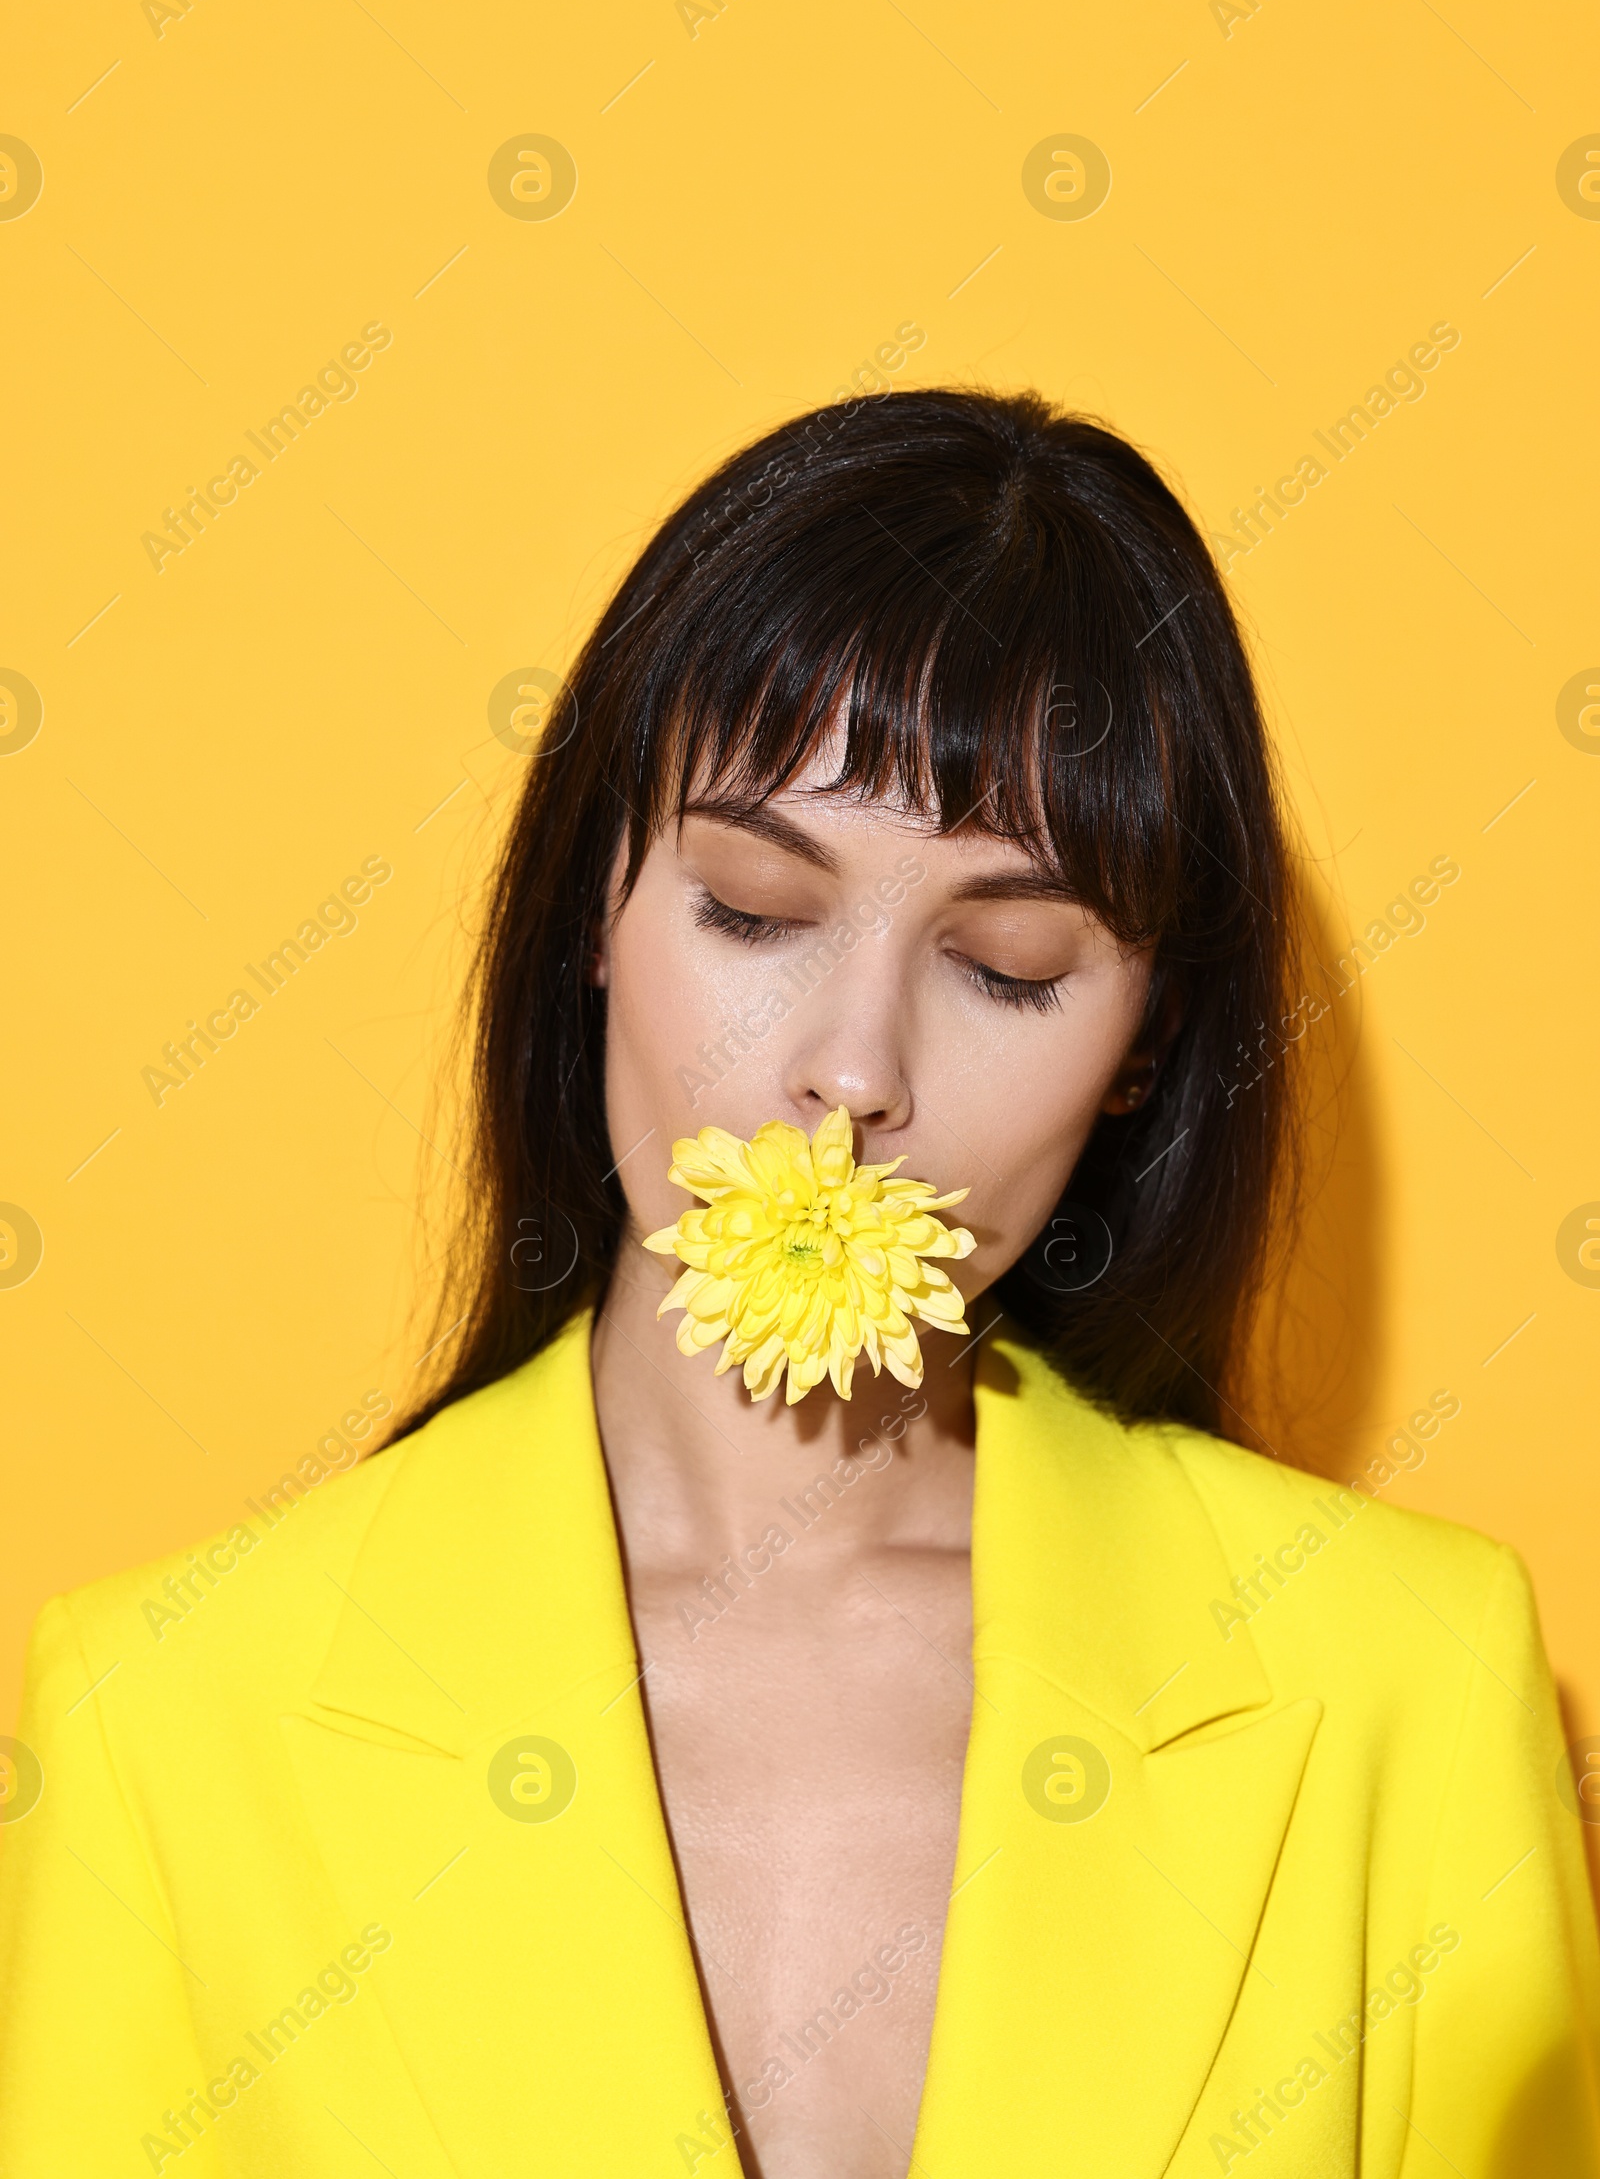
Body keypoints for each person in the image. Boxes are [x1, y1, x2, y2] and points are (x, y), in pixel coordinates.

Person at [2, 387, 1595, 2177]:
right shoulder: (168, 1716)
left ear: (1144, 1049)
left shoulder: (1406, 1682)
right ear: (596, 909)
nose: (852, 1070)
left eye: (1004, 965)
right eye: (755, 910)